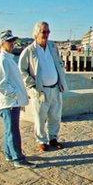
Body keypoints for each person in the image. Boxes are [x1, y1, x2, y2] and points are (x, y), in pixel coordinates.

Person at [19, 21, 68, 153]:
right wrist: (32, 85)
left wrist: (61, 79)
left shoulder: (53, 46)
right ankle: (41, 141)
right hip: (40, 90)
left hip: (55, 88)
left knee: (55, 116)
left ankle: (53, 138)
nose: (46, 34)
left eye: (48, 31)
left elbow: (58, 63)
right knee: (40, 118)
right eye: (44, 32)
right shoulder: (29, 51)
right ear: (36, 33)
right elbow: (22, 70)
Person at [0, 30, 36, 168]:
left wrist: (19, 95)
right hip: (9, 103)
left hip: (11, 102)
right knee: (13, 131)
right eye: (9, 41)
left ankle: (9, 154)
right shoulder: (2, 60)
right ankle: (18, 159)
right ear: (2, 43)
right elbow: (1, 84)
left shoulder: (7, 59)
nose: (12, 44)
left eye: (13, 41)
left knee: (9, 130)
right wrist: (17, 94)